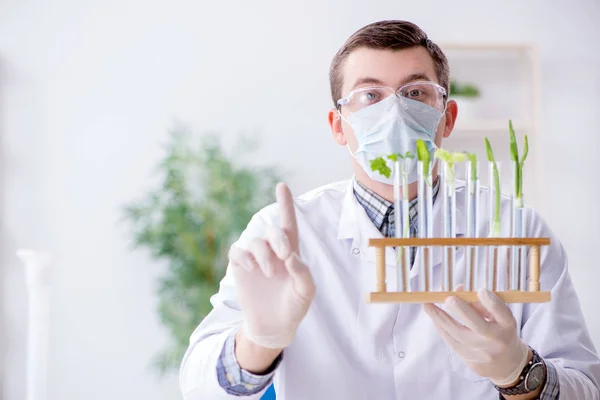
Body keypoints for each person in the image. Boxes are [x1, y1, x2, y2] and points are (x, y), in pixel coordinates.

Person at [178, 20, 600, 399]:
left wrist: (519, 372)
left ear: (447, 119)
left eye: (415, 92)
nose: (393, 110)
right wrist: (258, 342)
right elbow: (197, 386)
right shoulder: (283, 233)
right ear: (338, 127)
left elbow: (585, 387)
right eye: (369, 95)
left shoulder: (514, 229)